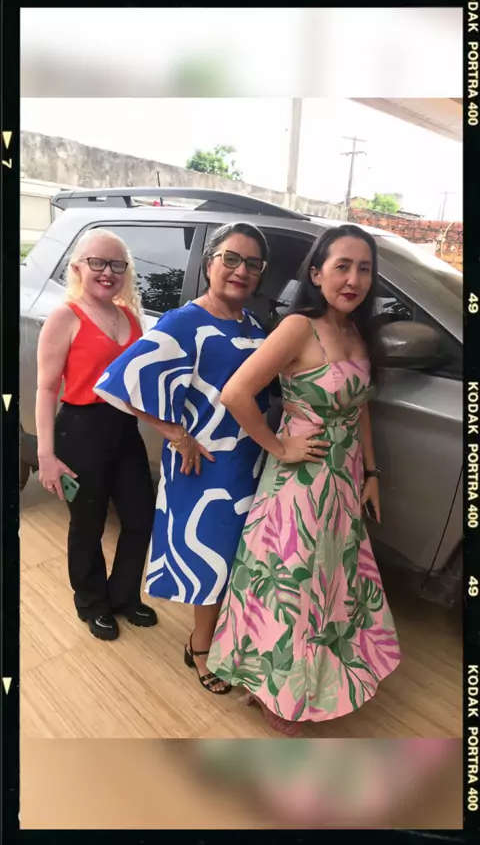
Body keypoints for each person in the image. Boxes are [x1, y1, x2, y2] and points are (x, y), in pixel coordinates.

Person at [93, 222, 326, 694]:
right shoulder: (185, 321)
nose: (241, 271)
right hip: (205, 465)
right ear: (209, 264)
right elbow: (118, 381)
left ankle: (223, 639)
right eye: (231, 259)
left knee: (239, 558)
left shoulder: (253, 326)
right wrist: (175, 434)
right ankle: (199, 647)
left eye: (253, 264)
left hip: (250, 460)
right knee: (213, 558)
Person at [207, 224, 401, 732]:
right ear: (316, 273)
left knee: (329, 582)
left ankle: (314, 680)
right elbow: (236, 393)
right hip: (299, 482)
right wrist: (279, 446)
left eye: (364, 269)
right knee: (290, 585)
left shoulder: (356, 331)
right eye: (342, 266)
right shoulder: (299, 327)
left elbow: (359, 409)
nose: (354, 279)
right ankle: (274, 691)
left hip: (343, 478)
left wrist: (372, 472)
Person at [36, 228, 157, 641]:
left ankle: (123, 596)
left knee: (140, 518)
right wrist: (46, 455)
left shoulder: (129, 317)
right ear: (77, 268)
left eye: (117, 264)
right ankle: (91, 602)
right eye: (98, 263)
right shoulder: (65, 317)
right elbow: (46, 389)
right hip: (81, 429)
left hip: (124, 429)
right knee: (87, 524)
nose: (108, 272)